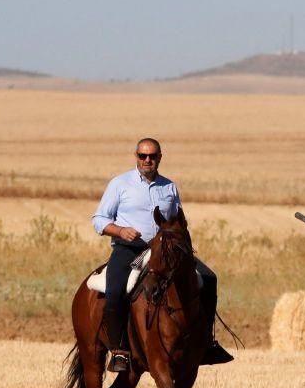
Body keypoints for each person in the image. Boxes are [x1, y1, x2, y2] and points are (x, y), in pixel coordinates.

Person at [91, 137, 233, 372]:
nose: (147, 160)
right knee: (115, 290)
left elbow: (179, 222)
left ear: (159, 158)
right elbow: (99, 220)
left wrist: (182, 245)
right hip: (130, 249)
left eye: (152, 156)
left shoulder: (169, 186)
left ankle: (206, 343)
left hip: (165, 252)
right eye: (143, 156)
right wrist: (120, 230)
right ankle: (119, 352)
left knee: (209, 279)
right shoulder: (120, 184)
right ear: (136, 157)